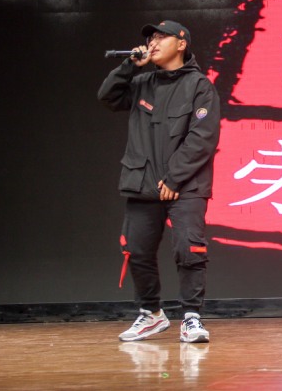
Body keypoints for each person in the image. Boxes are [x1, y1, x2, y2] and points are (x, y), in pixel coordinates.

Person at [98, 20, 221, 343]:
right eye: (150, 38)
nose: (153, 43)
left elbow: (203, 137)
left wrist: (174, 178)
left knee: (189, 249)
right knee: (136, 249)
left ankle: (191, 318)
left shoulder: (199, 86)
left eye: (161, 37)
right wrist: (129, 66)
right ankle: (151, 314)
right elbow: (107, 97)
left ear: (181, 44)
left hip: (186, 185)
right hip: (143, 182)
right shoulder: (141, 82)